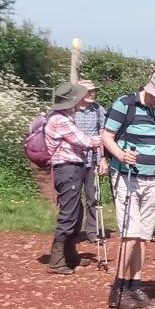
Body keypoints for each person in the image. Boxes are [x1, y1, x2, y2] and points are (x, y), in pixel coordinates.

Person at [101, 70, 155, 309]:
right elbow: (107, 136)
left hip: (152, 178)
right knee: (131, 234)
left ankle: (135, 286)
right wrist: (121, 155)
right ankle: (119, 289)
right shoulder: (125, 104)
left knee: (144, 236)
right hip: (126, 177)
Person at [44, 82, 101, 275]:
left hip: (69, 168)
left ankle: (69, 254)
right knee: (69, 213)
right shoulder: (61, 120)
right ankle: (57, 260)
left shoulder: (61, 117)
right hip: (67, 168)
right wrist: (105, 139)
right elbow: (84, 141)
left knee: (76, 210)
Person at [72, 79, 107, 242]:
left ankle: (92, 232)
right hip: (73, 160)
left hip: (92, 160)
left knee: (93, 197)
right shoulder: (70, 110)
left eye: (94, 90)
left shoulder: (98, 109)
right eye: (88, 91)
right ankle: (73, 231)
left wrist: (103, 159)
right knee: (73, 197)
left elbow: (102, 135)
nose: (92, 93)